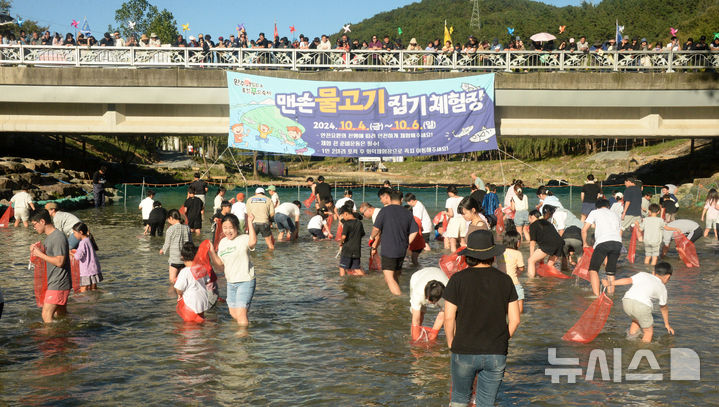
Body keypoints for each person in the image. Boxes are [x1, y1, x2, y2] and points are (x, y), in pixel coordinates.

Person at [443, 230, 520, 407]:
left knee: (459, 399)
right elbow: (515, 320)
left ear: (469, 255)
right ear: (492, 255)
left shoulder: (457, 279)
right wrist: (500, 340)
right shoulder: (505, 280)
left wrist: (450, 343)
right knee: (486, 403)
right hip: (496, 352)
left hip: (463, 349)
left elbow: (448, 318)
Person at [603, 262, 674, 343]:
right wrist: (667, 324)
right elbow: (663, 307)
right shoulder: (662, 288)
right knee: (648, 332)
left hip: (627, 301)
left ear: (653, 272)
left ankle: (630, 340)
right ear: (668, 276)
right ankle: (642, 351)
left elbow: (627, 280)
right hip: (642, 306)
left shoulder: (643, 274)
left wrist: (610, 283)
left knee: (636, 320)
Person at [209, 213, 257, 326]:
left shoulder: (244, 238)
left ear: (236, 227)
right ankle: (245, 331)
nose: (228, 231)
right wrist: (211, 252)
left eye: (231, 228)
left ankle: (242, 341)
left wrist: (250, 222)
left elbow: (253, 242)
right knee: (234, 314)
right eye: (225, 228)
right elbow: (220, 265)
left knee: (241, 315)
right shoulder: (223, 243)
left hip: (245, 280)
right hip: (231, 283)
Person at [370, 189, 419, 295]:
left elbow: (376, 229)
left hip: (389, 249)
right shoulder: (407, 212)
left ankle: (399, 300)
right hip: (401, 250)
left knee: (389, 278)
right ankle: (395, 303)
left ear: (390, 199)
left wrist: (371, 237)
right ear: (402, 199)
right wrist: (407, 242)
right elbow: (415, 231)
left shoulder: (384, 211)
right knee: (395, 275)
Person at [30, 209, 72, 323]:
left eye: (34, 224)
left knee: (46, 314)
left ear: (42, 221)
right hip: (56, 281)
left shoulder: (58, 237)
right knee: (61, 314)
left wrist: (40, 254)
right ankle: (68, 333)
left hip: (59, 282)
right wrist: (38, 251)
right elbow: (51, 257)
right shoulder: (50, 237)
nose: (34, 228)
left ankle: (50, 339)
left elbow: (59, 261)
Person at [582, 199, 622, 296]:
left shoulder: (594, 212)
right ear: (608, 206)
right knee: (610, 271)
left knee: (593, 269)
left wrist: (584, 243)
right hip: (617, 243)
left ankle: (596, 295)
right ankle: (611, 295)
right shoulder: (615, 214)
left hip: (603, 242)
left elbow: (584, 229)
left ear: (597, 207)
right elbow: (620, 231)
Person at [174, 242, 213, 320]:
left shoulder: (184, 272)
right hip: (203, 301)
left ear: (182, 257)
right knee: (200, 321)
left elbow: (179, 290)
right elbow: (207, 281)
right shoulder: (202, 268)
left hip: (191, 303)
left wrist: (179, 294)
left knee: (190, 326)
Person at [409, 267, 448, 341]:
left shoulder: (448, 292)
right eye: (430, 300)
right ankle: (417, 336)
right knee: (420, 313)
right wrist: (415, 341)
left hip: (438, 274)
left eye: (435, 301)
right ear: (426, 295)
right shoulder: (418, 293)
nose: (432, 303)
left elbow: (442, 315)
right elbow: (415, 320)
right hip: (418, 277)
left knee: (449, 314)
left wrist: (433, 333)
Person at [527, 209, 564, 278]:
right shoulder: (546, 222)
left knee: (530, 261)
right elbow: (546, 238)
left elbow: (532, 243)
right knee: (549, 266)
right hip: (560, 243)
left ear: (531, 217)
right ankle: (552, 282)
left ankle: (531, 281)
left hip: (549, 244)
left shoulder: (533, 225)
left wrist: (532, 257)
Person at [160, 209, 192, 284]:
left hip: (174, 259)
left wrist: (162, 250)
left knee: (172, 281)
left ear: (171, 218)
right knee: (182, 281)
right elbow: (190, 243)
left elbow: (167, 243)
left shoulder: (170, 229)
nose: (168, 221)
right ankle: (181, 295)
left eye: (168, 219)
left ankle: (173, 294)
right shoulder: (187, 228)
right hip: (185, 259)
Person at [72, 222, 102, 292]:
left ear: (80, 232)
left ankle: (84, 302)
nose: (74, 235)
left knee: (83, 289)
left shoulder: (82, 243)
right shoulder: (89, 240)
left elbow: (78, 257)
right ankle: (95, 301)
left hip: (87, 271)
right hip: (94, 269)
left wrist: (71, 253)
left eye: (74, 233)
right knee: (94, 289)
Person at [338, 205, 365, 276]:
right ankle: (366, 278)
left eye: (343, 215)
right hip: (357, 249)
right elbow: (362, 234)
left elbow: (343, 237)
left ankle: (342, 283)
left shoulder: (346, 224)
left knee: (342, 267)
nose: (343, 217)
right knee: (356, 268)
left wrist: (340, 243)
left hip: (347, 250)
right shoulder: (359, 223)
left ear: (346, 213)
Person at [502, 230, 525, 313]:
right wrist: (517, 272)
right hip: (514, 283)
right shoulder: (517, 253)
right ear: (517, 242)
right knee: (519, 309)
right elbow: (521, 268)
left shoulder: (499, 252)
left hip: (501, 283)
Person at [444, 185, 466, 252]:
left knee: (453, 243)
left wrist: (445, 212)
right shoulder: (463, 198)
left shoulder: (449, 200)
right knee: (463, 242)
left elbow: (451, 214)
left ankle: (454, 259)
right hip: (463, 220)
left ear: (449, 192)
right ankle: (465, 257)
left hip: (454, 221)